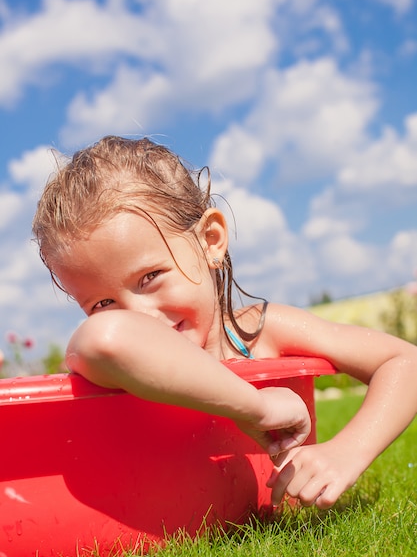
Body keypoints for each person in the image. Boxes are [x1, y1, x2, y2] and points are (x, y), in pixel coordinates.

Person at [32, 136, 417, 510]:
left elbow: (405, 362)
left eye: (150, 277)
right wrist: (257, 407)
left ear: (211, 240)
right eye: (102, 302)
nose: (141, 317)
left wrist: (347, 451)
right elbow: (108, 338)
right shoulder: (108, 357)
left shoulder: (261, 333)